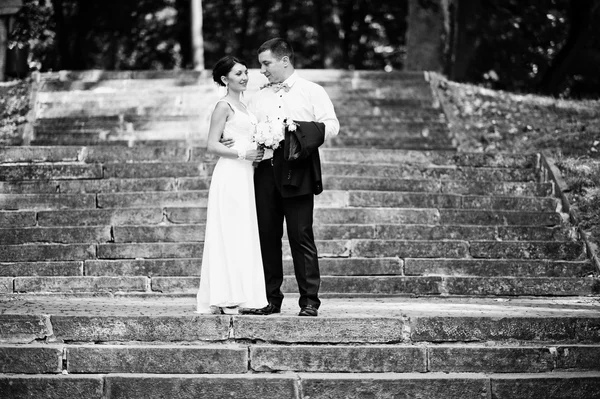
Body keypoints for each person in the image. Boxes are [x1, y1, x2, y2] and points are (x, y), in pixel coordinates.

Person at [246, 38, 340, 317]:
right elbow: (250, 130)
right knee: (267, 237)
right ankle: (270, 299)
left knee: (301, 236)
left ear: (284, 60)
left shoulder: (313, 91)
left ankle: (309, 300)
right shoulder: (258, 96)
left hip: (298, 171)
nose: (261, 70)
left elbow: (331, 125)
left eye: (266, 63)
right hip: (264, 171)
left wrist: (296, 131)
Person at [196, 56, 267, 315]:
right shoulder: (223, 106)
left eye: (246, 72)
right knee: (228, 232)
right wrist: (242, 154)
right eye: (238, 74)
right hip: (230, 174)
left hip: (247, 175)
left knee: (243, 233)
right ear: (225, 79)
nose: (245, 77)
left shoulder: (247, 108)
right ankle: (224, 296)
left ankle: (241, 294)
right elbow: (212, 144)